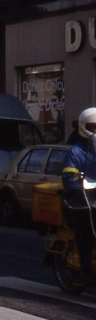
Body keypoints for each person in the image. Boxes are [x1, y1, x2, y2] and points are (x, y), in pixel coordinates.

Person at [61, 107, 96, 286]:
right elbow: (69, 174)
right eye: (94, 127)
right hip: (80, 201)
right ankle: (85, 271)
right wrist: (77, 184)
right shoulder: (75, 150)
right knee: (87, 234)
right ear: (84, 126)